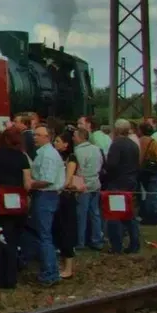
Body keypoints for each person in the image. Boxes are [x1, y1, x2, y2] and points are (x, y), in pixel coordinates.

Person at [0, 123, 30, 290]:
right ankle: (10, 279)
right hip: (16, 204)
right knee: (12, 240)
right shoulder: (22, 157)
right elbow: (27, 184)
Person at [27, 123, 64, 287]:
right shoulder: (44, 153)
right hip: (46, 196)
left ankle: (50, 273)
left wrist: (30, 184)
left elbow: (47, 180)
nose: (34, 137)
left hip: (45, 196)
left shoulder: (48, 155)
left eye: (37, 135)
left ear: (47, 137)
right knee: (43, 234)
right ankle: (49, 270)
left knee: (44, 235)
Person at [101, 118, 142, 255]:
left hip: (117, 183)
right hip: (131, 182)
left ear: (117, 130)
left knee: (115, 216)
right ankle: (135, 243)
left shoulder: (116, 144)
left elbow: (112, 165)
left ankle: (116, 246)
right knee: (129, 215)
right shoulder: (133, 144)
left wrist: (104, 167)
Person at [53, 125, 81, 279]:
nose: (55, 144)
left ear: (66, 144)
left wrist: (58, 185)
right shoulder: (55, 157)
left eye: (58, 141)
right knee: (58, 230)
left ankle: (68, 267)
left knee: (67, 231)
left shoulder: (71, 158)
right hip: (58, 196)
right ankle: (62, 264)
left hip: (66, 198)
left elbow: (67, 179)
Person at [72, 121, 104, 251]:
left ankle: (80, 241)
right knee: (95, 213)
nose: (73, 138)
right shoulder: (97, 149)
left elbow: (78, 169)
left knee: (81, 214)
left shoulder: (78, 152)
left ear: (80, 137)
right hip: (95, 183)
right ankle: (97, 239)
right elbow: (101, 164)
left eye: (74, 136)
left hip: (83, 185)